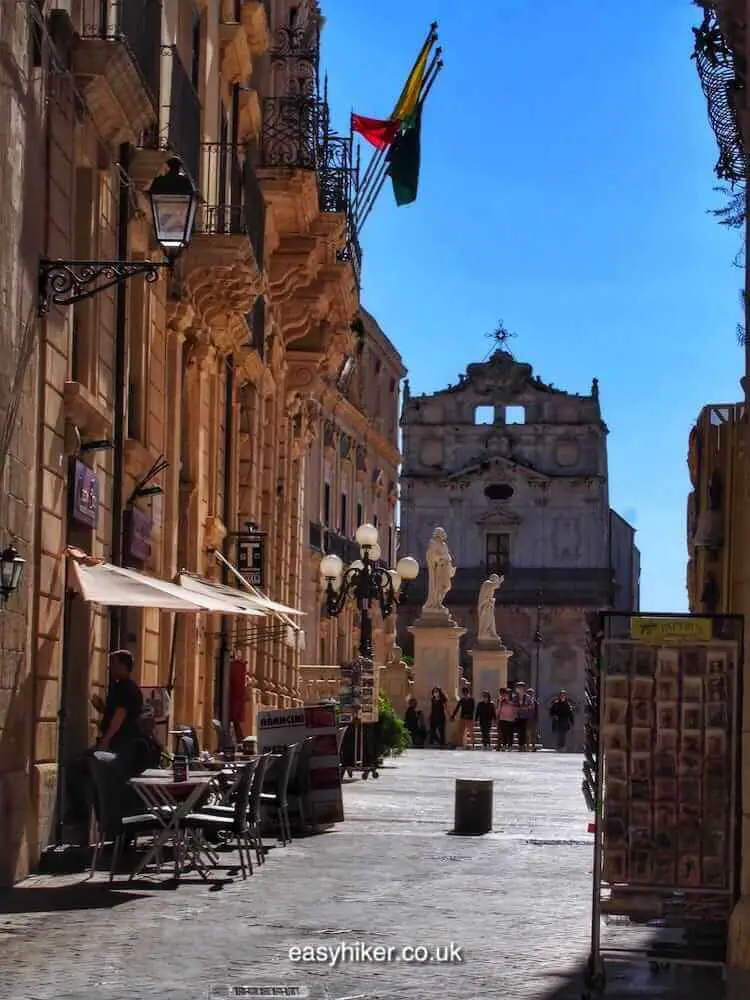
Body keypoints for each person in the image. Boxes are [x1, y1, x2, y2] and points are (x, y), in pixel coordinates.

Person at [64, 649, 145, 838]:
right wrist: (102, 707)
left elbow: (120, 717)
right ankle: (110, 828)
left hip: (118, 747)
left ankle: (79, 814)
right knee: (104, 784)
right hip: (118, 745)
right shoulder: (122, 687)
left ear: (123, 665)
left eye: (113, 663)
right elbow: (115, 714)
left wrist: (105, 742)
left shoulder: (126, 689)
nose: (110, 667)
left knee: (78, 767)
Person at [511, 681, 534, 751]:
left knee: (523, 731)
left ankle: (522, 745)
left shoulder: (527, 697)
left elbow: (531, 705)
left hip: (525, 717)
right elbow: (512, 705)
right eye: (518, 688)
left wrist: (526, 708)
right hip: (517, 716)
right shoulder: (515, 697)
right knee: (518, 731)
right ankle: (520, 744)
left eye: (521, 688)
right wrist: (517, 708)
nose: (519, 689)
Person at [526, 687, 539, 752]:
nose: (530, 694)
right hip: (526, 719)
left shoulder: (535, 702)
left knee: (533, 734)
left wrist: (536, 720)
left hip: (533, 720)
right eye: (529, 693)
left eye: (531, 693)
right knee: (527, 734)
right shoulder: (525, 701)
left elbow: (537, 712)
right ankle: (527, 746)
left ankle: (533, 746)